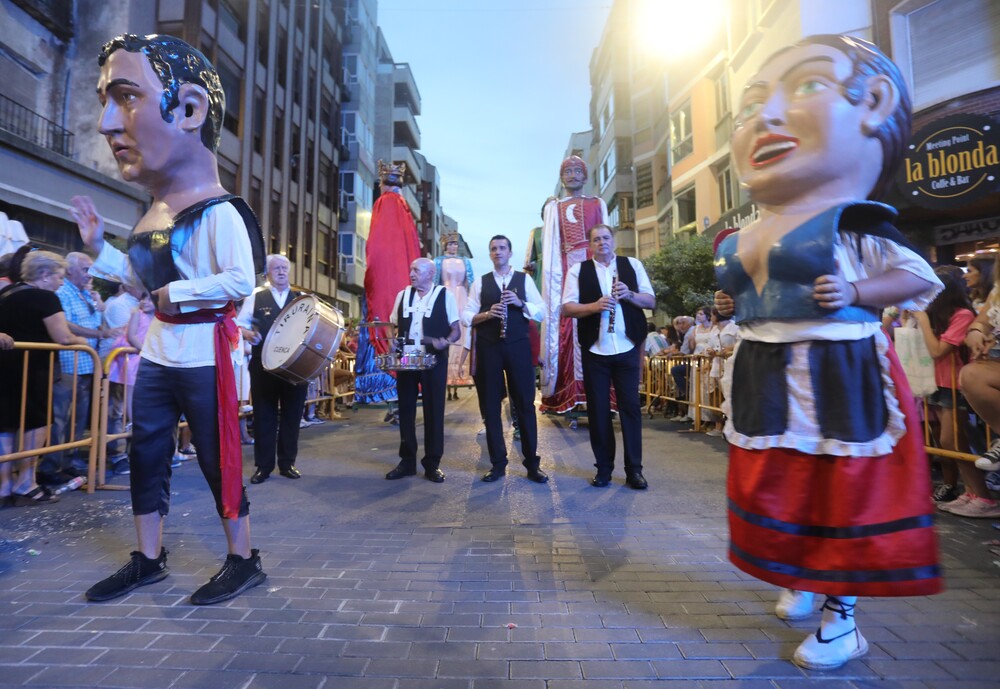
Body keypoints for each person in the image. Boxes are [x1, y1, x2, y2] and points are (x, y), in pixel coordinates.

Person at [713, 35, 943, 670]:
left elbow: (921, 278)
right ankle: (809, 576)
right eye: (753, 103)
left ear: (874, 102)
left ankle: (844, 618)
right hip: (765, 367)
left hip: (839, 369)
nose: (767, 116)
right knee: (787, 482)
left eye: (808, 86)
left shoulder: (854, 222)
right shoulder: (745, 235)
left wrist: (857, 288)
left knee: (842, 487)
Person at [71, 33, 266, 605]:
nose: (109, 122)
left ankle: (243, 558)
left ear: (188, 110)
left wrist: (175, 293)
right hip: (159, 352)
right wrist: (100, 248)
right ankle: (148, 558)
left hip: (206, 351)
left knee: (216, 456)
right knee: (148, 450)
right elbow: (139, 285)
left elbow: (237, 280)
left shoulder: (222, 211)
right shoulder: (151, 214)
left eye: (126, 97)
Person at [561, 224, 655, 489]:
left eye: (605, 238)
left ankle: (634, 471)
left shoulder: (632, 264)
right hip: (596, 349)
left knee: (631, 410)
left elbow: (650, 301)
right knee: (599, 412)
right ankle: (603, 469)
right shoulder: (578, 270)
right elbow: (567, 308)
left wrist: (630, 294)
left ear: (613, 241)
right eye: (596, 239)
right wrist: (595, 306)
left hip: (627, 346)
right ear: (590, 245)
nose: (601, 242)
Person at [0, 251, 87, 506]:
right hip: (35, 370)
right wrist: (82, 341)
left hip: (5, 368)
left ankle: (3, 485)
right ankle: (26, 483)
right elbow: (63, 336)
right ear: (45, 275)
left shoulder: (6, 294)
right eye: (59, 277)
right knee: (36, 423)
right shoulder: (45, 298)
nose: (61, 282)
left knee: (4, 425)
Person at [914, 266, 999, 517]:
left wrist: (923, 322)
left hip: (955, 385)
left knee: (952, 441)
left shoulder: (962, 314)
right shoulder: (943, 315)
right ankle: (974, 492)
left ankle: (983, 495)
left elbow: (937, 351)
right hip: (938, 384)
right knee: (948, 442)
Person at [464, 235, 548, 483]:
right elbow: (466, 315)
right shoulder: (481, 282)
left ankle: (532, 464)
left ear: (510, 253)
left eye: (502, 248)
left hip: (519, 346)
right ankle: (498, 464)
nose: (497, 252)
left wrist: (520, 303)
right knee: (490, 406)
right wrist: (489, 313)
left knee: (524, 404)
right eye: (493, 249)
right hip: (490, 347)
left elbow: (542, 311)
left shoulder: (524, 280)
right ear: (490, 254)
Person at [539, 156, 609, 414]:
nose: (572, 175)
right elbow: (551, 248)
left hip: (592, 271)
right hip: (566, 271)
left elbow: (604, 237)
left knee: (596, 322)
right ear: (562, 177)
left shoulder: (596, 203)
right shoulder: (554, 207)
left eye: (577, 170)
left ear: (585, 175)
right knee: (567, 327)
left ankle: (598, 393)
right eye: (567, 171)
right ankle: (568, 391)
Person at [385, 257, 460, 482]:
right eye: (411, 270)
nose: (412, 273)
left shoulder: (445, 295)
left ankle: (432, 464)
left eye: (416, 270)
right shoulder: (402, 295)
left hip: (433, 360)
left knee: (434, 411)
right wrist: (391, 341)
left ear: (430, 274)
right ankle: (407, 462)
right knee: (406, 410)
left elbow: (456, 330)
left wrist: (444, 341)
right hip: (407, 359)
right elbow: (392, 325)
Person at [355, 160, 423, 406]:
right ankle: (405, 391)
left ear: (382, 183)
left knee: (383, 326)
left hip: (385, 282)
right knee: (404, 332)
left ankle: (388, 392)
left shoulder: (383, 203)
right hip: (404, 282)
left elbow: (376, 247)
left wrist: (371, 276)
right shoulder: (403, 206)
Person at [237, 254, 308, 484]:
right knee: (263, 416)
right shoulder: (255, 297)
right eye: (276, 268)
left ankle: (287, 464)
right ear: (267, 273)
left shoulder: (301, 299)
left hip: (294, 367)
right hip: (262, 364)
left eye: (284, 268)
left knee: (292, 415)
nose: (281, 272)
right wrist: (248, 334)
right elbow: (239, 325)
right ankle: (263, 467)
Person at [47, 251, 112, 479]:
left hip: (87, 362)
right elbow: (65, 324)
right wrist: (98, 333)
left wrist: (100, 306)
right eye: (86, 269)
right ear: (70, 270)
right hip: (69, 362)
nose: (90, 274)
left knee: (79, 418)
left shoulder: (87, 293)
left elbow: (98, 323)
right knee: (60, 417)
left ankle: (70, 460)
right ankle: (51, 465)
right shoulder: (63, 292)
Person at [434, 234, 474, 400]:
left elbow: (470, 282)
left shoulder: (465, 261)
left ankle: (461, 371)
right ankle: (445, 371)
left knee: (462, 331)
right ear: (445, 246)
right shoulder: (438, 261)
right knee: (446, 329)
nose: (453, 247)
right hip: (445, 294)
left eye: (455, 244)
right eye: (450, 244)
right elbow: (436, 281)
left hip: (462, 296)